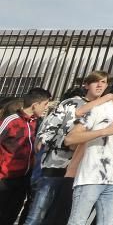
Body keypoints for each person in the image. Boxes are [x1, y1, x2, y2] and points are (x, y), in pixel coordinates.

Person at [24, 71, 109, 225]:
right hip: (56, 168)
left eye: (104, 82)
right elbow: (45, 133)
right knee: (37, 216)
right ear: (86, 85)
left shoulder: (104, 110)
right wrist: (68, 142)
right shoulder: (71, 104)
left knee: (62, 219)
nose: (100, 85)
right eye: (96, 81)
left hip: (81, 173)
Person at [65, 78, 113, 225]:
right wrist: (103, 131)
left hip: (112, 180)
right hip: (89, 178)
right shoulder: (99, 109)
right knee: (77, 221)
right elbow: (70, 138)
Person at [0, 87, 51, 225]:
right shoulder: (11, 121)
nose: (47, 107)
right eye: (45, 104)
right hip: (5, 178)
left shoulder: (35, 122)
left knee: (12, 214)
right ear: (35, 105)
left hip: (23, 178)